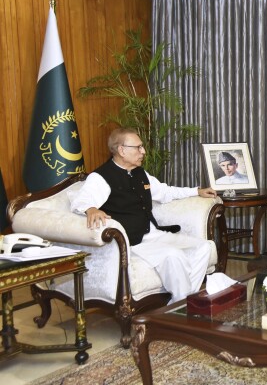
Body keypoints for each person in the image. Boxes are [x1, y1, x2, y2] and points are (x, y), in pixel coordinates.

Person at [70, 127, 218, 303]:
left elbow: (164, 192)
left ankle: (180, 301)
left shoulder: (140, 173)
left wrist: (196, 191)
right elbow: (80, 201)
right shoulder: (101, 177)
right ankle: (184, 303)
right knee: (172, 255)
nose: (143, 151)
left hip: (153, 234)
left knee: (205, 247)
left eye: (142, 147)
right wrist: (91, 209)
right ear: (121, 150)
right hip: (132, 241)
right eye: (138, 147)